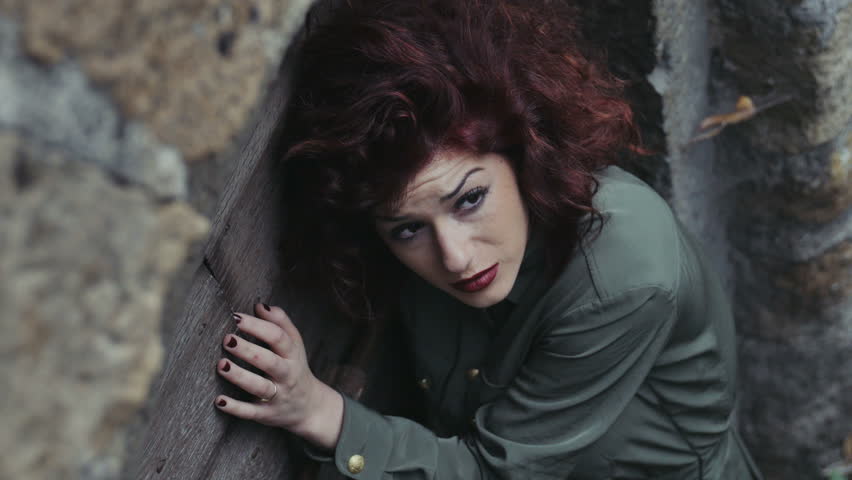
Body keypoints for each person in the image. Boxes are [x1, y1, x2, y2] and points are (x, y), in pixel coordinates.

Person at [212, 1, 764, 478]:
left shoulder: (621, 277)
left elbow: (496, 472)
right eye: (408, 229)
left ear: (524, 151)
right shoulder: (424, 241)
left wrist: (318, 411)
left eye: (469, 199)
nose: (454, 256)